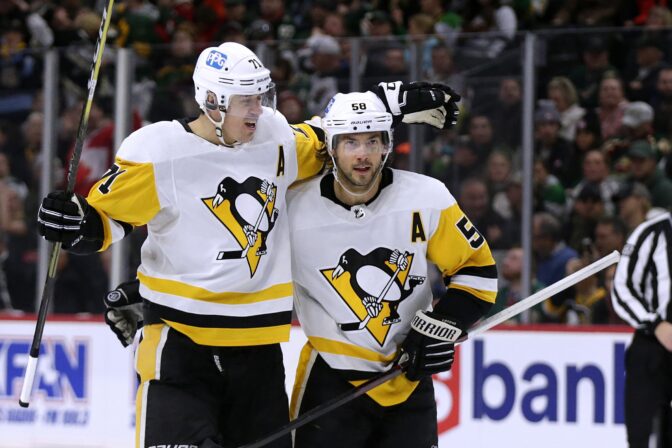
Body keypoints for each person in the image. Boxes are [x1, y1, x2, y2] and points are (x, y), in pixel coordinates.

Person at [35, 42, 461, 448]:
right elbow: (102, 223)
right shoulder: (159, 153)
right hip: (183, 347)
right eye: (246, 100)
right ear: (214, 101)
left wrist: (390, 101)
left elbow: (329, 132)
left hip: (258, 353)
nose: (258, 109)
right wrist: (73, 221)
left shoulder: (274, 137)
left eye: (261, 96)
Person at [286, 92, 497, 447]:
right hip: (330, 382)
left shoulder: (427, 197)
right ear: (331, 148)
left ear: (387, 145)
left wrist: (440, 327)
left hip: (408, 380)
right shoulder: (293, 209)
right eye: (350, 142)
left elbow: (477, 272)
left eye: (373, 140)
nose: (363, 154)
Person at [611, 211, 672, 448]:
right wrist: (655, 324)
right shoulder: (651, 233)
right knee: (642, 434)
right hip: (652, 347)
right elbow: (623, 287)